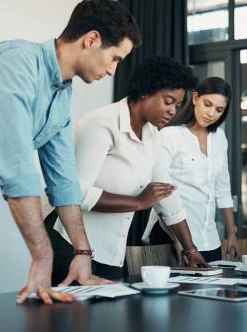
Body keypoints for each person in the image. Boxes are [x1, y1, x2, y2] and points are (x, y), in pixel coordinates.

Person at [0, 0, 140, 304]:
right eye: (115, 58)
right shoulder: (15, 62)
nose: (114, 70)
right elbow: (16, 167)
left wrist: (82, 252)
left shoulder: (61, 92)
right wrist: (42, 255)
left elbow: (64, 181)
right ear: (92, 40)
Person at [46, 56, 209, 284]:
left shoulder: (152, 135)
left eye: (177, 105)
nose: (173, 111)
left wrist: (190, 249)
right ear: (145, 92)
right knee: (73, 319)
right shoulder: (101, 124)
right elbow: (74, 191)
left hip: (111, 249)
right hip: (70, 245)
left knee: (108, 317)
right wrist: (138, 203)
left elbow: (167, 195)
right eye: (168, 101)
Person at [144, 77, 241, 263]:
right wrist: (180, 239)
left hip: (209, 238)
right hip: (171, 236)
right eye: (208, 104)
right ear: (195, 98)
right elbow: (160, 190)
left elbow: (222, 188)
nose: (211, 113)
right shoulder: (170, 135)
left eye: (219, 109)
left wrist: (232, 234)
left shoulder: (220, 138)